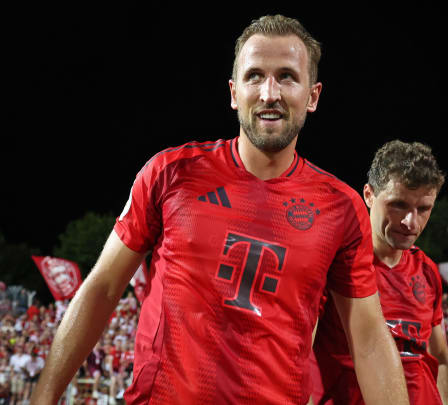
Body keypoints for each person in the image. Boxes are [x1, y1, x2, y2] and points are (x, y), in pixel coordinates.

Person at [31, 15, 408, 405]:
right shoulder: (170, 172)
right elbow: (102, 288)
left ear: (312, 96)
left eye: (287, 77)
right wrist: (43, 398)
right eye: (255, 76)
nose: (269, 93)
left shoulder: (341, 208)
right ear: (233, 92)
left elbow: (368, 341)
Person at [312, 141, 448, 404]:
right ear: (369, 195)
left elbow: (440, 356)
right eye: (398, 205)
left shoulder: (426, 270)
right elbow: (299, 352)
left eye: (423, 209)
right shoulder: (331, 263)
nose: (411, 222)